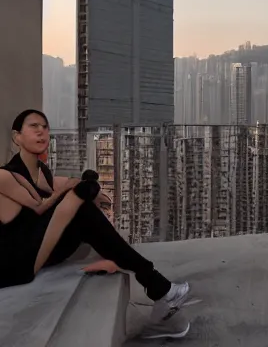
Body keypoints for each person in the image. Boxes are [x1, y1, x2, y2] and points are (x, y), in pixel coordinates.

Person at [0, 109, 190, 339]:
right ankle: (158, 286)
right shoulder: (5, 176)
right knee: (80, 204)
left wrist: (86, 188)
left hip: (35, 250)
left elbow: (65, 186)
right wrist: (79, 191)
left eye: (45, 127)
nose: (41, 131)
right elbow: (40, 205)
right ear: (16, 137)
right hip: (12, 263)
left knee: (83, 208)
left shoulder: (41, 174)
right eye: (33, 126)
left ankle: (159, 288)